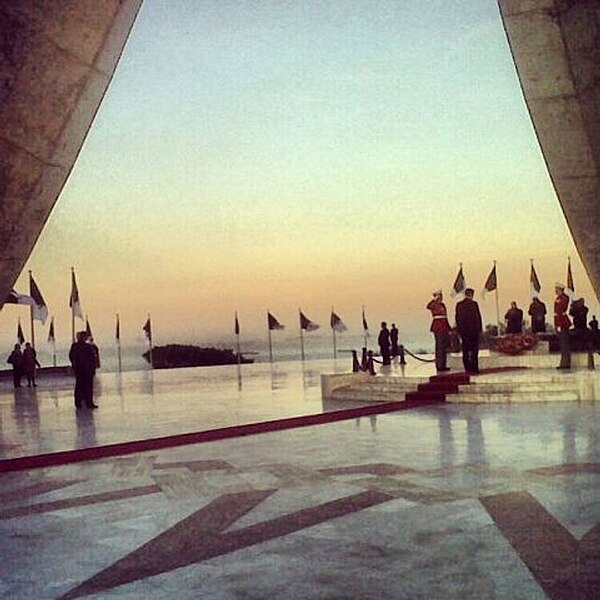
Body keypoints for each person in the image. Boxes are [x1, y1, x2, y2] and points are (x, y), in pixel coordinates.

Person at [455, 288, 482, 374]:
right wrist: (479, 329)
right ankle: (474, 368)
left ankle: (467, 368)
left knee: (465, 350)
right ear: (471, 295)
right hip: (473, 331)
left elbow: (457, 319)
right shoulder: (474, 304)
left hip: (464, 332)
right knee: (474, 350)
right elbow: (477, 317)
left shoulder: (459, 305)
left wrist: (459, 330)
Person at [69, 331, 98, 409]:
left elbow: (71, 357)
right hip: (85, 370)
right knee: (86, 387)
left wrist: (74, 365)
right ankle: (88, 403)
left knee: (80, 386)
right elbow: (92, 358)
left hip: (80, 370)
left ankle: (79, 403)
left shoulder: (75, 346)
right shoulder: (87, 347)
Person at [426, 290, 451, 372]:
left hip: (444, 326)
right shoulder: (434, 304)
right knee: (439, 347)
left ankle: (443, 365)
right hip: (438, 326)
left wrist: (449, 328)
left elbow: (445, 316)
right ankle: (439, 365)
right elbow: (428, 306)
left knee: (444, 347)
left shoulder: (442, 305)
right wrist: (434, 299)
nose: (441, 297)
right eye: (439, 296)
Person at [554, 283, 571, 369]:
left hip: (563, 322)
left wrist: (559, 325)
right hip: (559, 321)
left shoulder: (564, 298)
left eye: (556, 289)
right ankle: (563, 363)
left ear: (560, 289)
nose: (555, 290)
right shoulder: (558, 298)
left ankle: (566, 363)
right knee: (562, 344)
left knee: (564, 344)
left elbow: (561, 311)